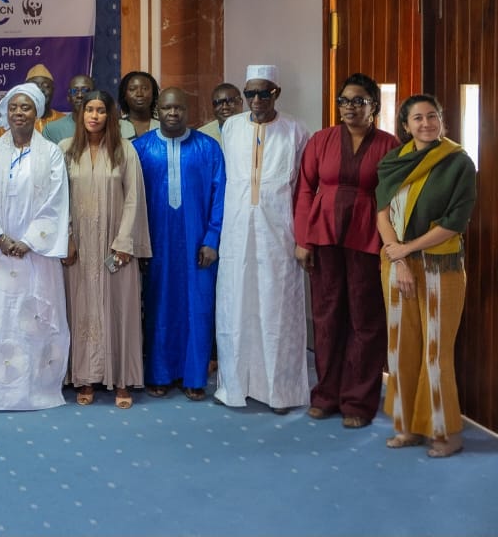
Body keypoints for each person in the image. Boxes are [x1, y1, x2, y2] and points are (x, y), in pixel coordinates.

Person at [0, 83, 71, 411]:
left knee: (35, 318)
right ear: (6, 113)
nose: (19, 113)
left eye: (26, 107)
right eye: (13, 107)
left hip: (36, 253)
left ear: (37, 113)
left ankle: (37, 391)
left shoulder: (51, 152)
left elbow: (56, 201)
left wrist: (29, 241)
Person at [294, 74, 399, 429]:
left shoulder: (389, 145)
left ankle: (358, 401)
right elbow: (305, 189)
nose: (350, 107)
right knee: (327, 317)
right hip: (324, 236)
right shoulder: (321, 140)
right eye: (344, 101)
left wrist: (391, 245)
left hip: (368, 239)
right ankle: (326, 395)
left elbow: (395, 197)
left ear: (374, 106)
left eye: (359, 101)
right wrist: (303, 239)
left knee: (365, 321)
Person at [376, 94, 476, 458]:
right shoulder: (394, 161)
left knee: (435, 351)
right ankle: (408, 427)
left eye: (432, 116)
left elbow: (455, 222)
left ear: (441, 121)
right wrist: (399, 257)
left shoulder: (458, 162)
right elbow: (382, 213)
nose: (426, 123)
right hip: (397, 265)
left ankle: (445, 432)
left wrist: (408, 249)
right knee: (402, 346)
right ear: (405, 126)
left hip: (439, 265)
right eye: (417, 118)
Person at [214, 64, 310, 414]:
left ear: (276, 93)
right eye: (250, 93)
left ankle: (280, 392)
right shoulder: (231, 128)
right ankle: (235, 385)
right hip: (236, 233)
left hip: (279, 235)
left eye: (263, 93)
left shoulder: (296, 130)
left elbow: (304, 188)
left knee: (276, 310)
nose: (255, 99)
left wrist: (303, 238)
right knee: (236, 307)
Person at [60, 90, 151, 409]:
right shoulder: (65, 150)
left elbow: (134, 199)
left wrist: (125, 242)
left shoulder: (125, 150)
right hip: (79, 248)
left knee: (120, 310)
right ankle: (84, 377)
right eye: (89, 110)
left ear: (110, 116)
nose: (94, 116)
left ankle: (122, 379)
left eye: (100, 110)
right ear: (81, 114)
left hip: (115, 247)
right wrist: (67, 237)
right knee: (81, 309)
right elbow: (58, 199)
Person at [133, 88, 226, 401]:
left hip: (197, 245)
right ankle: (158, 374)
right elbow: (130, 201)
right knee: (158, 307)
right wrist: (138, 245)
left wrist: (212, 239)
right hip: (155, 243)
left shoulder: (208, 148)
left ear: (188, 110)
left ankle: (194, 377)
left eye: (179, 108)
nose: (173, 113)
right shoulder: (140, 149)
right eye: (167, 108)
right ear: (158, 110)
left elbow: (220, 197)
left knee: (197, 307)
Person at [45, 74, 94, 143]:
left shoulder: (106, 127)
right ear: (68, 97)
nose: (80, 95)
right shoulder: (52, 130)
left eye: (85, 91)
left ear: (95, 95)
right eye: (75, 91)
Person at [21, 64, 67, 135]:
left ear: (53, 90)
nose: (40, 90)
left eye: (46, 86)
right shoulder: (15, 122)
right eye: (34, 86)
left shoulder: (64, 121)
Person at [118, 71, 161, 140]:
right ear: (124, 95)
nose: (139, 94)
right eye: (132, 89)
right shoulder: (116, 126)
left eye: (145, 89)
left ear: (153, 94)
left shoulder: (163, 127)